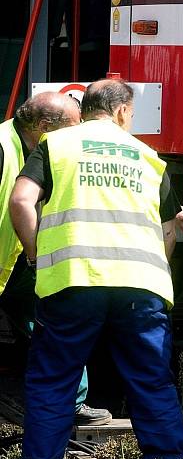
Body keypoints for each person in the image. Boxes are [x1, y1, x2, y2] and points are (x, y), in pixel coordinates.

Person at [10, 79, 183, 459]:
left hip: (72, 279)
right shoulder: (148, 156)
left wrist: (36, 252)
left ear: (86, 106)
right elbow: (169, 230)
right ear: (123, 111)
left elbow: (21, 201)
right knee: (150, 379)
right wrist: (155, 266)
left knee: (55, 377)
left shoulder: (56, 145)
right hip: (140, 284)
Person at [0, 93, 110, 425]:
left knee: (54, 322)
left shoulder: (39, 148)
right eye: (73, 127)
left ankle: (73, 404)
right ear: (46, 126)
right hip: (17, 259)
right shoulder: (4, 146)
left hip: (18, 261)